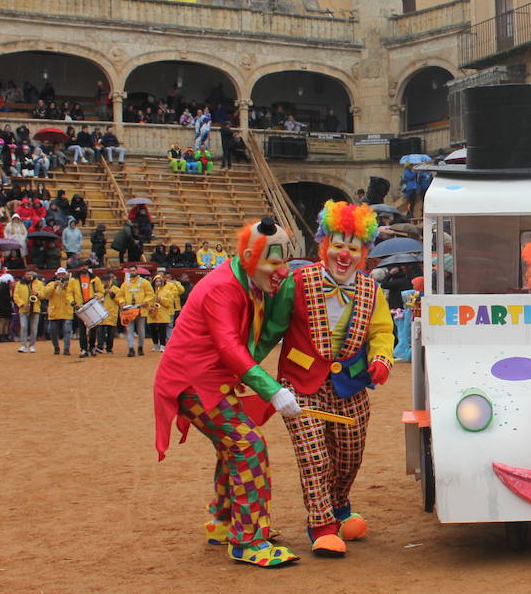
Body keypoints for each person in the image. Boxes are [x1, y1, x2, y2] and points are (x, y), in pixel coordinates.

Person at [151, 217, 301, 568]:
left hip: (211, 381)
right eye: (274, 263)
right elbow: (229, 348)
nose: (280, 272)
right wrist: (272, 391)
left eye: (284, 263)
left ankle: (223, 520)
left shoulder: (247, 284)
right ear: (249, 256)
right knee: (248, 445)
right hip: (193, 383)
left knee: (232, 444)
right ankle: (248, 540)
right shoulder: (222, 287)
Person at [269, 201, 394, 557]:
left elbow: (383, 331)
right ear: (324, 244)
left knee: (350, 453)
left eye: (353, 248)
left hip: (350, 384)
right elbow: (272, 328)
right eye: (338, 245)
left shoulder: (372, 290)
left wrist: (382, 358)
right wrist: (245, 365)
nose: (344, 254)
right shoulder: (297, 281)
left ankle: (340, 508)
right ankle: (321, 523)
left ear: (364, 252)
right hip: (300, 381)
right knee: (314, 456)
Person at [42, 267, 78, 356]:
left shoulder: (71, 284)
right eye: (59, 274)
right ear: (56, 275)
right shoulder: (51, 284)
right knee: (52, 331)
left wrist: (66, 287)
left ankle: (66, 349)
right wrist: (55, 286)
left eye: (63, 274)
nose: (61, 276)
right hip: (54, 312)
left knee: (67, 331)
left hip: (67, 311)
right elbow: (45, 295)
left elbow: (74, 294)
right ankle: (56, 348)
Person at [71, 264, 104, 357]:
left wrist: (98, 295)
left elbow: (101, 291)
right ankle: (83, 349)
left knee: (93, 329)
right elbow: (69, 293)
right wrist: (73, 302)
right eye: (82, 266)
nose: (83, 268)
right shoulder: (74, 280)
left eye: (85, 266)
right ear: (79, 268)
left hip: (91, 306)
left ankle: (92, 347)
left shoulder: (95, 279)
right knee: (82, 329)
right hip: (80, 307)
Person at [119, 268, 154, 356]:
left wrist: (145, 302)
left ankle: (140, 347)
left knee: (141, 330)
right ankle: (131, 349)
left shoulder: (144, 282)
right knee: (129, 330)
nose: (132, 272)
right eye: (131, 271)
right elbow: (120, 295)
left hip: (141, 309)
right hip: (129, 310)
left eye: (134, 270)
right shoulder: (125, 284)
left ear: (137, 271)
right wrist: (122, 302)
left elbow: (150, 294)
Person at [147, 272, 177, 353]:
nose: (158, 283)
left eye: (160, 281)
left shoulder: (167, 291)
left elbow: (169, 302)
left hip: (163, 313)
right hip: (153, 313)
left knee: (162, 329)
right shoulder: (150, 291)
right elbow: (147, 300)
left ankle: (163, 345)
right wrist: (149, 307)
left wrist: (162, 300)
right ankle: (155, 344)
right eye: (156, 281)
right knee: (153, 329)